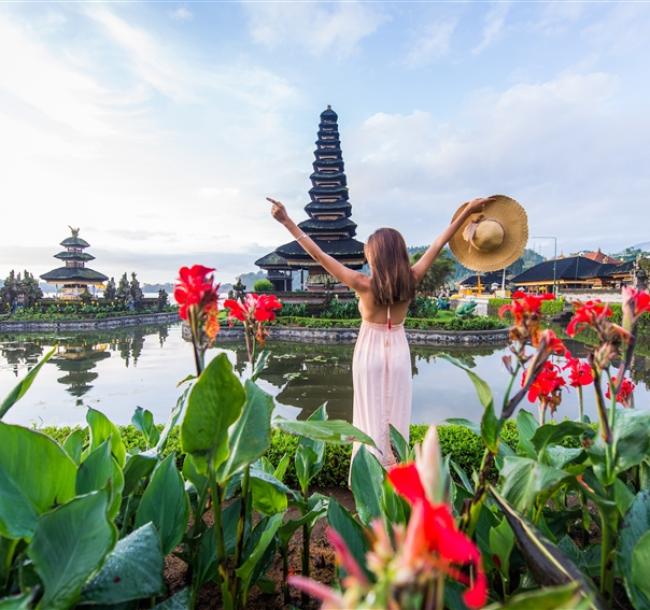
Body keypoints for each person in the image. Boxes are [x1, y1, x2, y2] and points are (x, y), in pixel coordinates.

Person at [267, 195, 493, 467]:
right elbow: (438, 243)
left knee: (368, 414)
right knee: (396, 416)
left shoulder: (362, 283)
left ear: (374, 256)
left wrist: (287, 221)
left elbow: (319, 256)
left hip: (368, 352)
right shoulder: (412, 278)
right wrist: (466, 210)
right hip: (398, 351)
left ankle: (368, 477)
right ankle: (396, 479)